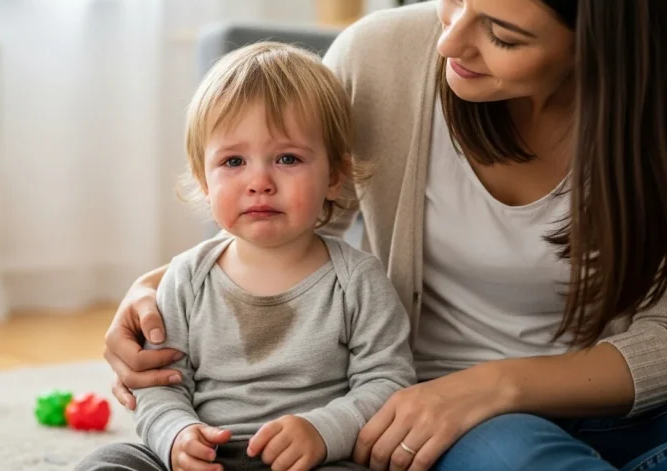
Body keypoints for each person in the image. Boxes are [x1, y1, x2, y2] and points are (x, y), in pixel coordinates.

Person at [103, 0, 667, 469]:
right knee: (521, 453)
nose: (450, 43)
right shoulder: (378, 59)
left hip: (604, 412)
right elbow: (279, 227)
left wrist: (495, 385)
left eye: (502, 34)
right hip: (445, 424)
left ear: (599, 42)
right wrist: (153, 292)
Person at [77, 42, 415, 471]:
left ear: (335, 176)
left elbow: (387, 382)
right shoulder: (185, 278)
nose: (259, 182)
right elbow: (160, 384)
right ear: (204, 180)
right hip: (206, 458)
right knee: (108, 461)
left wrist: (323, 431)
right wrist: (177, 436)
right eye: (234, 161)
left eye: (287, 158)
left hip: (308, 461)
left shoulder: (358, 280)